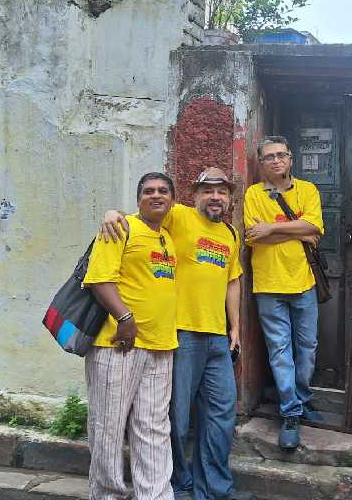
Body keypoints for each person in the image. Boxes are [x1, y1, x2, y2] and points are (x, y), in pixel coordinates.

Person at [100, 168, 246, 500]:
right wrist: (112, 214)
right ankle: (180, 485)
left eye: (221, 192)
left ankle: (215, 489)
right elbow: (140, 215)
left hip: (216, 338)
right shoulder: (178, 216)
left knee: (222, 415)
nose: (214, 197)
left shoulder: (230, 234)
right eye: (208, 191)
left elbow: (232, 280)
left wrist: (234, 326)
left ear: (229, 198)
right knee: (177, 420)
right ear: (194, 195)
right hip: (182, 334)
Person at [83, 172, 178, 500]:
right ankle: (107, 495)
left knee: (153, 428)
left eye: (163, 191)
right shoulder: (120, 228)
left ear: (172, 200)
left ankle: (155, 494)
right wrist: (124, 318)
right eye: (148, 191)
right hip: (119, 344)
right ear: (138, 200)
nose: (156, 195)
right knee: (108, 428)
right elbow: (98, 280)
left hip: (161, 345)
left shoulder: (167, 235)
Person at [243, 135, 324, 450]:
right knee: (279, 350)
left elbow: (315, 228)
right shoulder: (253, 194)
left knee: (307, 347)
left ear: (291, 158)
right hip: (268, 285)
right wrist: (297, 230)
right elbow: (253, 236)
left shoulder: (309, 190)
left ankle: (302, 398)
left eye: (281, 155)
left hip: (303, 281)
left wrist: (273, 229)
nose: (276, 161)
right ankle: (290, 412)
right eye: (269, 157)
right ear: (261, 163)